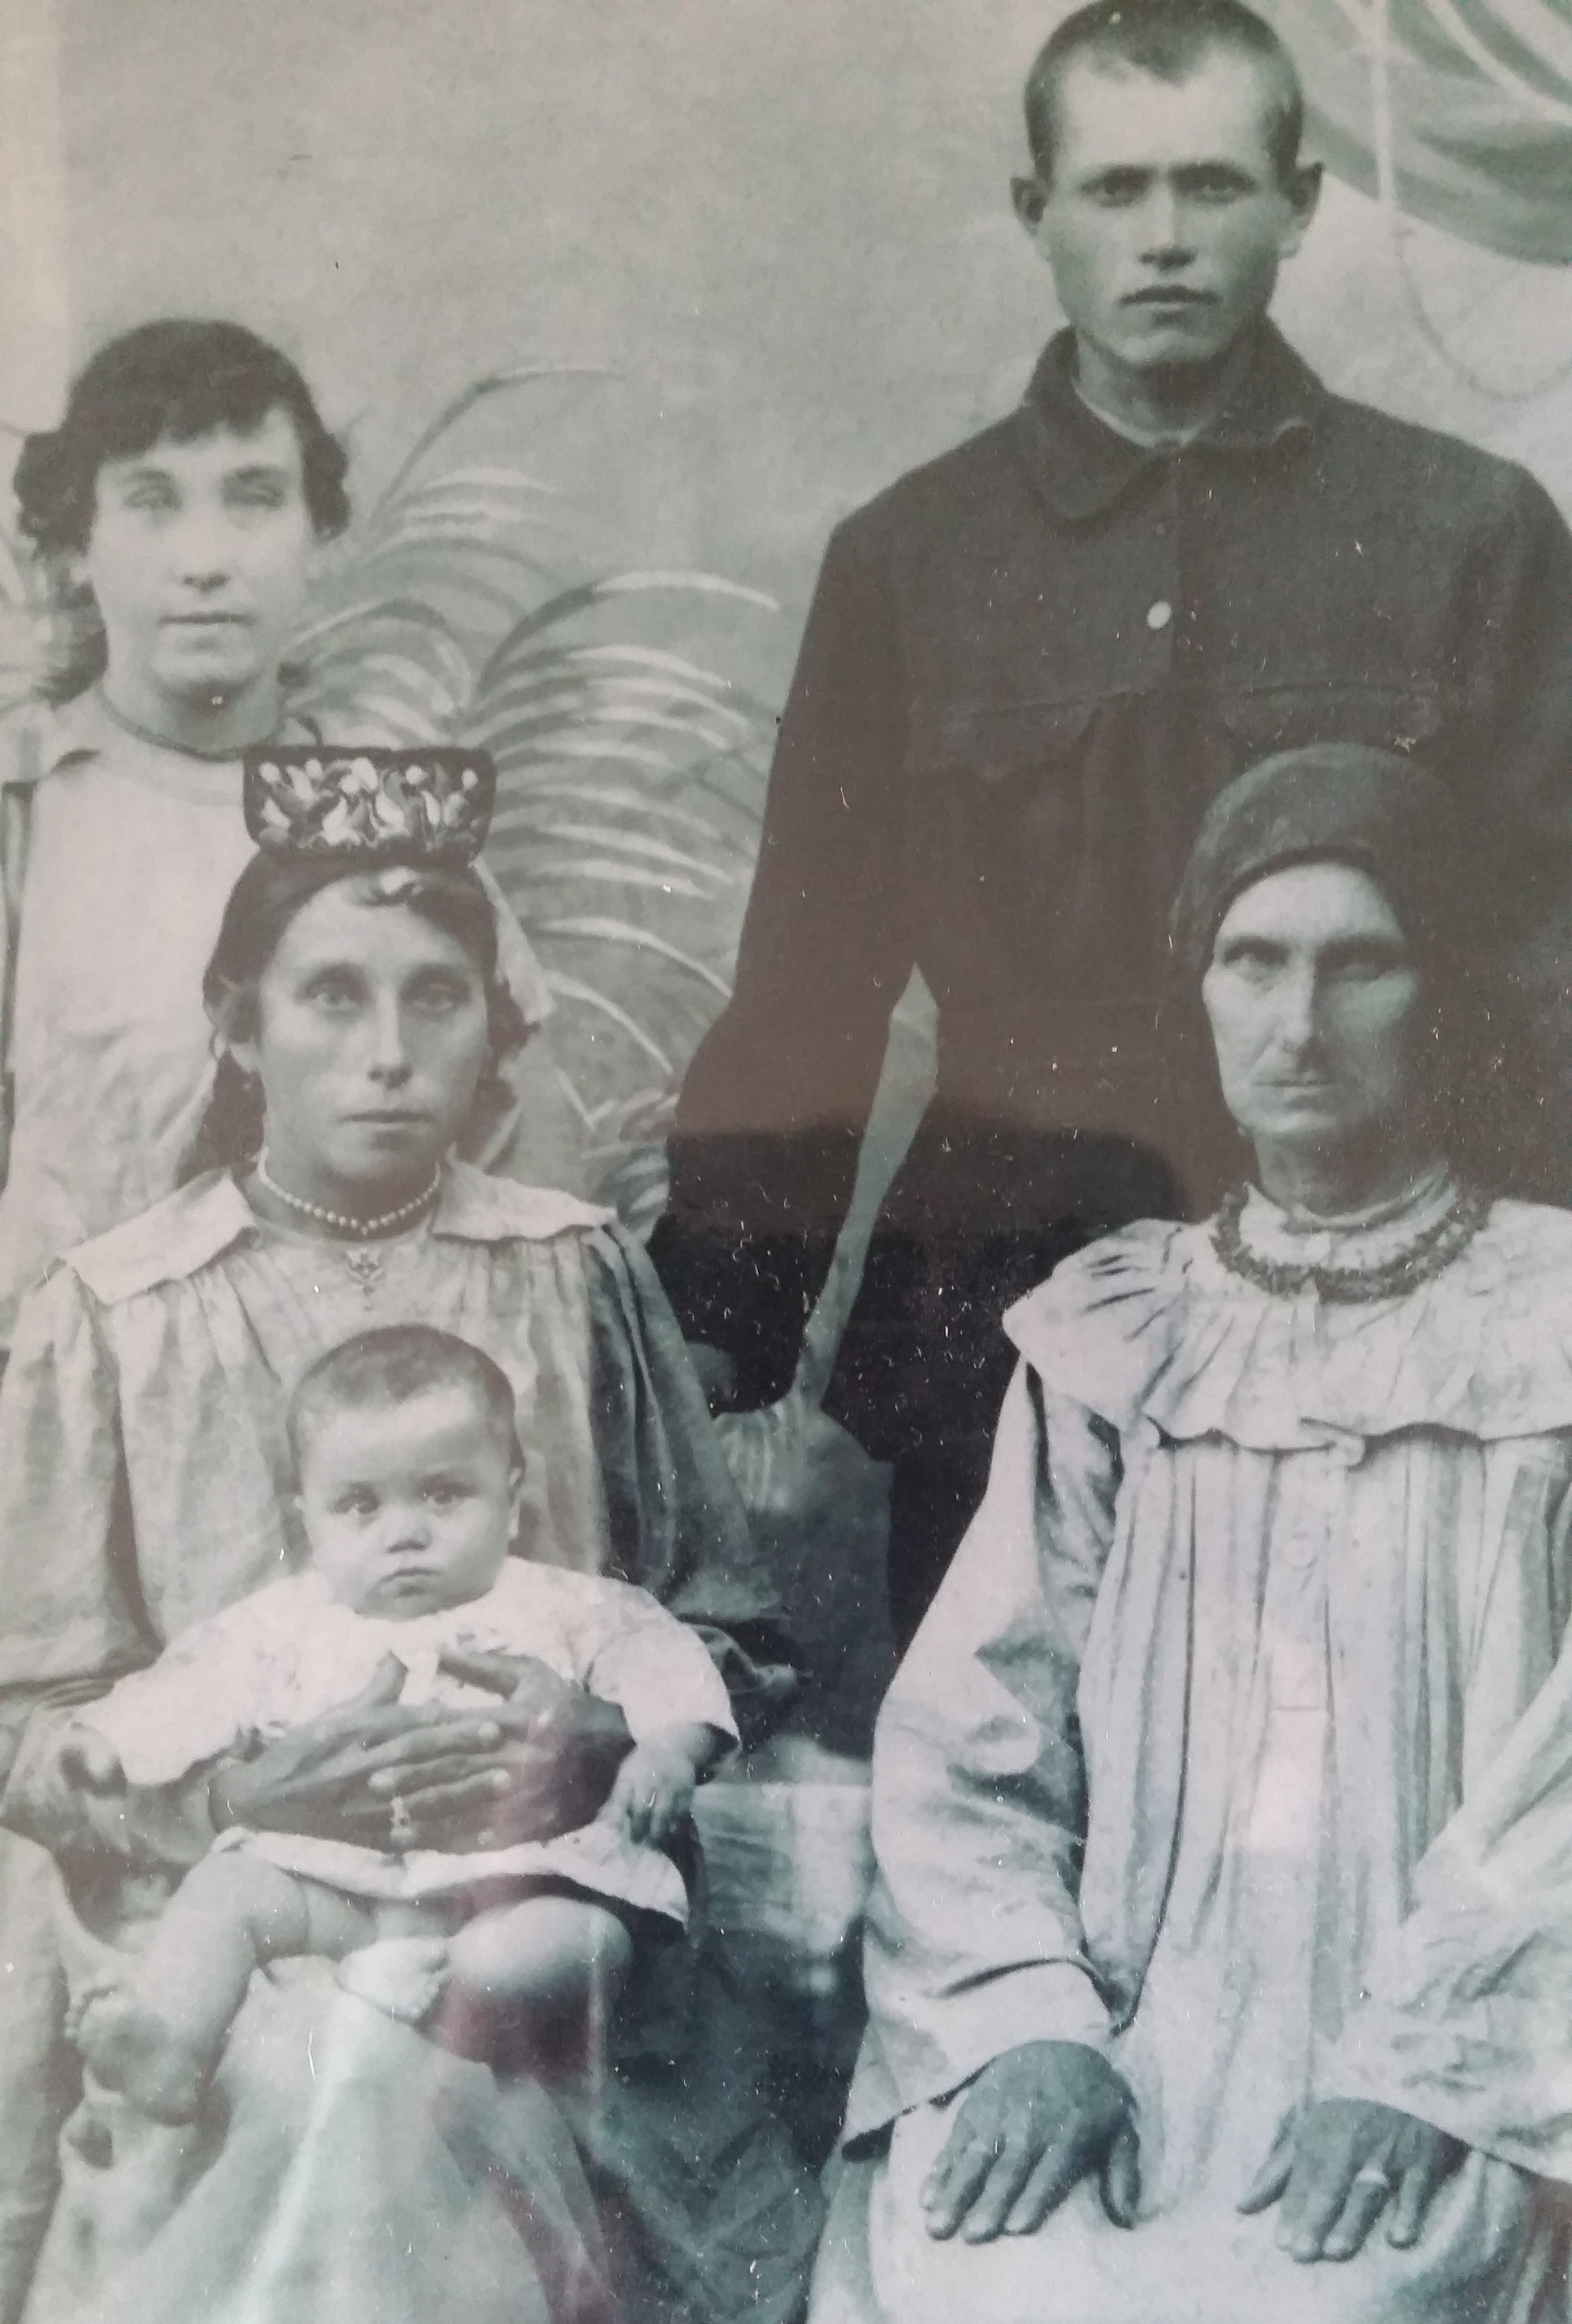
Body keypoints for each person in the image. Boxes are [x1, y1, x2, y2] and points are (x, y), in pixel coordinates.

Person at [516, 747, 1572, 2324]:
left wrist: (1427, 2068)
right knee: (971, 2311)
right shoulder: (1118, 1334)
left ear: (1441, 990)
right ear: (1196, 989)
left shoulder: (1556, 1322)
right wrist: (1019, 2025)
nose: (1296, 1016)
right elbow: (975, 1737)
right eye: (1251, 959)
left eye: (1357, 962)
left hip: (1467, 2056)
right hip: (1125, 2033)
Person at [0, 750, 813, 2324]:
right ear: (238, 1026)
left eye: (433, 997)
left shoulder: (570, 1270)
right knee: (321, 2067)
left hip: (548, 1884)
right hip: (226, 1908)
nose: (384, 1049)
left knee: (448, 2040)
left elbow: (721, 1620)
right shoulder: (120, 1311)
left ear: (494, 1027)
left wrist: (591, 1738)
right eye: (330, 997)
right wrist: (240, 1790)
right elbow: (32, 1719)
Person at [649, 0, 1572, 1644]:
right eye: (1115, 189)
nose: (1162, 238)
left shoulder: (1469, 533)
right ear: (1037, 213)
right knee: (1005, 1755)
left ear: (1297, 204)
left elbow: (1538, 969)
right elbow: (810, 985)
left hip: (1377, 1293)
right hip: (998, 1295)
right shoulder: (908, 558)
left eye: (1211, 187)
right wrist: (717, 1338)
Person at [0, 317, 562, 1347]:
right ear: (77, 545)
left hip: (361, 1398)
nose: (205, 560)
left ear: (316, 537)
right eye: (152, 502)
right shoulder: (25, 810)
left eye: (254, 498)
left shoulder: (391, 809)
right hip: (68, 1393)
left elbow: (514, 1153)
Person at [69, 1321, 740, 2126]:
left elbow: (662, 1659)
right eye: (360, 1505)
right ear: (308, 1520)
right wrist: (112, 1743)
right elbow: (192, 1685)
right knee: (226, 1893)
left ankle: (437, 1992)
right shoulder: (281, 1622)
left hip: (520, 1885)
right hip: (338, 1888)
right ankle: (173, 2046)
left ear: (512, 1498)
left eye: (444, 1494)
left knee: (588, 1941)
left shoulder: (565, 1604)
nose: (405, 1533)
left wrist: (667, 1748)